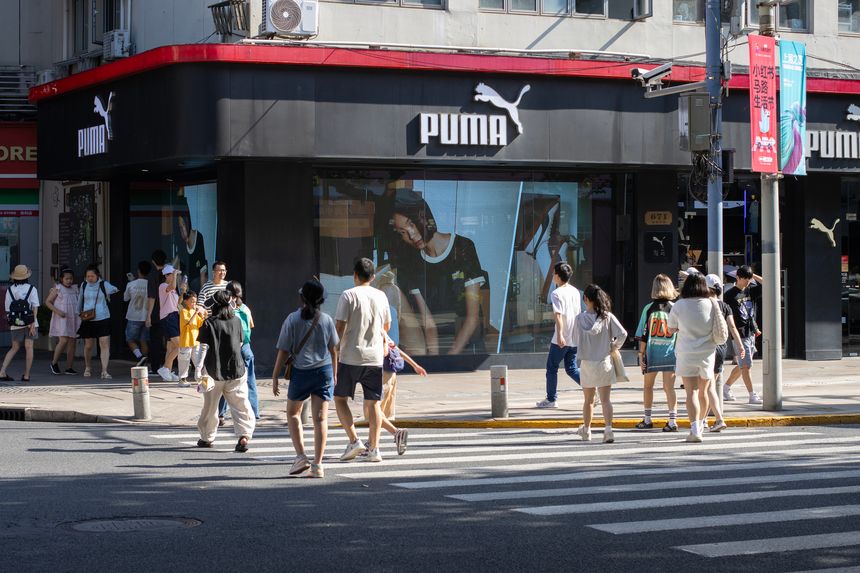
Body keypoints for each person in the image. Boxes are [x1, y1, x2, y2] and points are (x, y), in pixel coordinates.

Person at [390, 190, 485, 355]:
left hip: (468, 346)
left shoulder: (463, 247)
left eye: (411, 224)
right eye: (402, 232)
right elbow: (429, 324)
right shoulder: (413, 262)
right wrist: (434, 360)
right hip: (436, 345)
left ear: (424, 218)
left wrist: (449, 358)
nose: (411, 235)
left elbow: (472, 318)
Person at [272, 279, 339, 478]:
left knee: (293, 413)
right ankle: (318, 466)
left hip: (301, 373)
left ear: (302, 298)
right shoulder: (326, 320)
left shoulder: (292, 319)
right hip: (323, 371)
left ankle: (301, 456)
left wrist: (275, 376)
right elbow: (334, 350)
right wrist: (334, 373)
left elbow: (283, 351)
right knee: (321, 419)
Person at [334, 258, 392, 463]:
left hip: (350, 356)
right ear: (373, 277)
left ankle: (354, 440)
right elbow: (387, 325)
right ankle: (374, 448)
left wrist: (334, 349)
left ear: (355, 275)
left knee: (340, 398)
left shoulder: (348, 295)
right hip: (374, 357)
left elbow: (339, 327)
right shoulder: (381, 296)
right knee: (374, 404)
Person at [196, 290, 255, 453]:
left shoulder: (209, 323)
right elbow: (242, 342)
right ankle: (244, 436)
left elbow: (203, 347)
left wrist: (199, 368)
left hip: (214, 371)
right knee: (241, 404)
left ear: (213, 305)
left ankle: (207, 438)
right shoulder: (236, 321)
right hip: (237, 369)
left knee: (210, 406)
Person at [571, 284, 627, 444]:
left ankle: (587, 430)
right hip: (604, 361)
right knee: (605, 400)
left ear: (586, 299)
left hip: (587, 364)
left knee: (588, 401)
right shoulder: (606, 317)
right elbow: (623, 334)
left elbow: (575, 340)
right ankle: (608, 430)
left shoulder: (579, 319)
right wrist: (613, 346)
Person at [667, 273, 718, 443]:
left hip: (686, 352)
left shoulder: (679, 305)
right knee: (703, 391)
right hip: (707, 353)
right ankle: (702, 423)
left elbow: (671, 330)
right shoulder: (711, 304)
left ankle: (695, 429)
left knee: (691, 393)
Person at [633, 274, 679, 432]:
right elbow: (679, 333)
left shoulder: (649, 308)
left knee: (648, 386)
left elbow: (643, 334)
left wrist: (641, 354)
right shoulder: (674, 308)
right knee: (669, 388)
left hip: (651, 353)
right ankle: (672, 421)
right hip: (670, 353)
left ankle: (647, 419)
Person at [373, 333, 427, 455]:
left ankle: (396, 432)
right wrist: (415, 365)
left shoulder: (378, 331)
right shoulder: (383, 332)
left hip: (381, 374)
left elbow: (385, 352)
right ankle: (372, 443)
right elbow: (397, 350)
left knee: (373, 410)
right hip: (391, 375)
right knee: (379, 412)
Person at [536, 262, 582, 409]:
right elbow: (579, 313)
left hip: (562, 338)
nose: (552, 275)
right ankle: (592, 389)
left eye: (554, 273)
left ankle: (551, 399)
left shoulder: (556, 293)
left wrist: (560, 335)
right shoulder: (575, 291)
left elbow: (558, 315)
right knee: (571, 368)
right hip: (575, 336)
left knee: (551, 367)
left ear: (557, 275)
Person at [705, 273, 746, 433]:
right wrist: (740, 345)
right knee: (710, 385)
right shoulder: (725, 306)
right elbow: (732, 327)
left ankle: (712, 419)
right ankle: (711, 419)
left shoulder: (704, 304)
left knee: (705, 386)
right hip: (722, 347)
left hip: (707, 347)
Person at [218, 281, 259, 423]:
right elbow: (251, 326)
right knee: (250, 380)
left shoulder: (226, 310)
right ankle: (254, 412)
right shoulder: (246, 309)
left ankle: (221, 414)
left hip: (230, 348)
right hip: (246, 347)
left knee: (225, 381)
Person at [723, 265, 764, 404]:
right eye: (744, 279)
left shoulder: (751, 291)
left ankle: (726, 387)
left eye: (749, 279)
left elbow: (768, 283)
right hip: (739, 334)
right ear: (737, 278)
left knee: (743, 365)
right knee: (746, 366)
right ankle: (752, 394)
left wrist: (753, 276)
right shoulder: (729, 295)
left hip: (751, 332)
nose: (747, 282)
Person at [77, 264, 119, 379]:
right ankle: (88, 367)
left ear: (97, 276)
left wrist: (112, 290)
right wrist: (78, 313)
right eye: (87, 276)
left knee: (104, 344)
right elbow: (80, 298)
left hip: (103, 317)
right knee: (89, 345)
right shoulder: (84, 285)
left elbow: (114, 289)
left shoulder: (103, 284)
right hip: (88, 318)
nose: (89, 278)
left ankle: (104, 371)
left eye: (92, 276)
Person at [0, 265, 40, 382]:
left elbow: (7, 308)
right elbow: (35, 307)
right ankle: (26, 375)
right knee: (29, 347)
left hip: (15, 323)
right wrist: (32, 323)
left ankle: (2, 371)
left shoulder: (10, 289)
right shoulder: (32, 289)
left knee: (14, 347)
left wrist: (13, 322)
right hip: (30, 322)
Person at [45, 267, 80, 375]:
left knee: (72, 343)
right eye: (67, 279)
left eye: (71, 278)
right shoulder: (58, 288)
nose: (69, 280)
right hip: (62, 318)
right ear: (61, 279)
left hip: (73, 317)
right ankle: (54, 363)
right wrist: (58, 311)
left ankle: (69, 367)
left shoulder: (75, 289)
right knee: (63, 340)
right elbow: (48, 302)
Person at [157, 265, 183, 384]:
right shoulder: (163, 286)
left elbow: (178, 303)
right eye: (172, 274)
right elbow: (171, 285)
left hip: (172, 316)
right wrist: (176, 275)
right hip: (168, 317)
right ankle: (165, 368)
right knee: (180, 345)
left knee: (171, 347)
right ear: (167, 275)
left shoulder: (172, 289)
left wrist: (183, 291)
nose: (175, 276)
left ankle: (167, 372)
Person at [123, 261, 151, 368]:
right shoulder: (150, 284)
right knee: (144, 340)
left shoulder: (131, 284)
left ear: (138, 271)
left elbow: (125, 298)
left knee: (130, 339)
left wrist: (132, 281)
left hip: (133, 316)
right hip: (146, 316)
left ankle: (140, 357)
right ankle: (145, 363)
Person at [145, 250, 167, 375]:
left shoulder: (152, 276)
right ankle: (168, 366)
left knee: (156, 341)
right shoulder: (169, 274)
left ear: (153, 261)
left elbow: (151, 297)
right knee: (170, 340)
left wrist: (148, 315)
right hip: (169, 311)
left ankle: (155, 367)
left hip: (156, 313)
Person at [177, 291, 207, 384]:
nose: (194, 304)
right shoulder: (183, 311)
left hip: (195, 341)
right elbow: (189, 322)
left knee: (198, 360)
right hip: (186, 341)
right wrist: (196, 312)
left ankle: (199, 377)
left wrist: (202, 315)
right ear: (185, 301)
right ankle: (182, 379)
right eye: (192, 301)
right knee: (184, 361)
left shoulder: (194, 311)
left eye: (195, 302)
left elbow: (200, 324)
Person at [176, 214, 207, 293]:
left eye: (184, 225)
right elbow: (180, 269)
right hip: (186, 284)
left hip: (197, 283)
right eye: (180, 227)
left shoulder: (198, 237)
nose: (182, 230)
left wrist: (202, 295)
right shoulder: (181, 242)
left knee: (196, 282)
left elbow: (203, 270)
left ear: (188, 223)